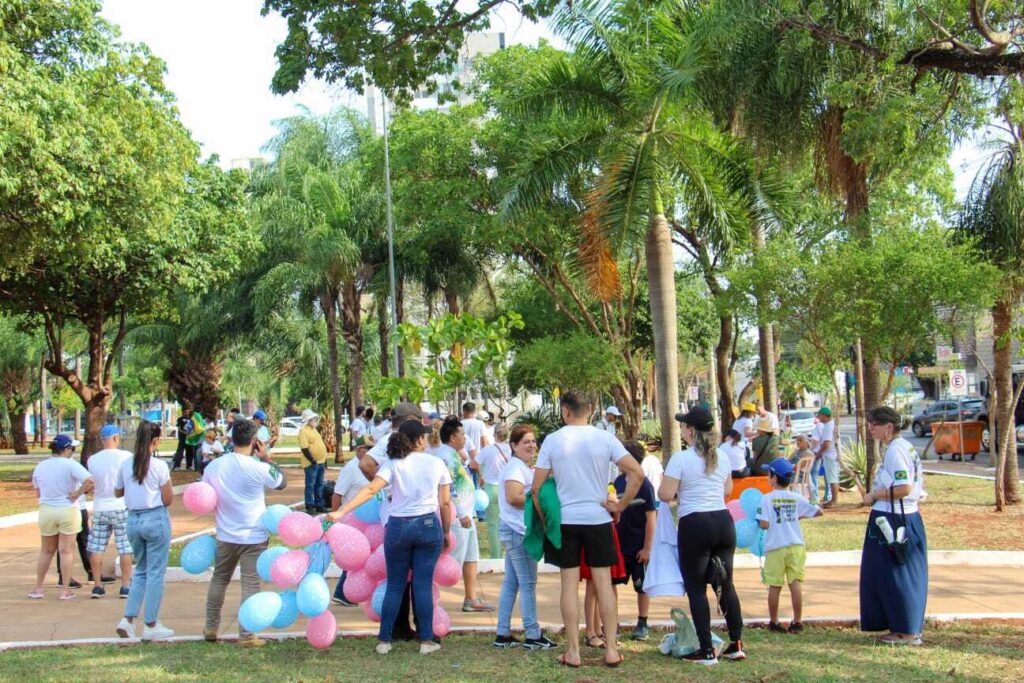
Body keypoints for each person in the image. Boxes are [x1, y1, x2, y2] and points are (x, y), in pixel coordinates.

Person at [531, 390, 644, 669]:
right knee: (604, 584)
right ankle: (612, 650)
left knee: (568, 585)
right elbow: (637, 474)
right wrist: (620, 506)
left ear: (565, 412)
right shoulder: (605, 438)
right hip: (598, 519)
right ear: (591, 410)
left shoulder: (553, 440)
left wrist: (545, 521)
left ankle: (573, 651)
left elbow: (536, 488)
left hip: (566, 522)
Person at [329, 420, 453, 656]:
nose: (426, 440)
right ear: (418, 440)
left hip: (398, 526)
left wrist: (342, 511)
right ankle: (427, 640)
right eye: (424, 436)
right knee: (422, 584)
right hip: (427, 525)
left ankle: (384, 639)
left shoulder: (394, 463)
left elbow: (371, 489)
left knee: (395, 584)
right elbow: (445, 503)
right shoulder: (436, 463)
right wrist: (445, 532)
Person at [658, 407, 745, 665]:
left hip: (695, 523)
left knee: (696, 588)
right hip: (722, 521)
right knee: (725, 583)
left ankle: (706, 650)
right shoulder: (722, 457)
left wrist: (682, 489)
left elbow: (665, 494)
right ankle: (736, 643)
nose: (681, 429)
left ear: (691, 431)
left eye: (683, 426)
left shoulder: (680, 459)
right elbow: (727, 489)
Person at [203, 418, 287, 648]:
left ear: (231, 439)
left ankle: (211, 626)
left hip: (225, 534)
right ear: (254, 441)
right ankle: (247, 635)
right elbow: (281, 482)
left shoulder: (214, 467)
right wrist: (267, 457)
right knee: (250, 584)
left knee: (219, 579)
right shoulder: (258, 467)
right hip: (254, 535)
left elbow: (205, 496)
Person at [860, 406, 927, 646]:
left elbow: (904, 487)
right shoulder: (902, 447)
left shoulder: (896, 451)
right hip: (903, 517)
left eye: (873, 424)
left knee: (896, 574)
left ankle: (906, 631)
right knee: (890, 573)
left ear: (888, 427)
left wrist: (874, 495)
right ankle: (902, 626)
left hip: (893, 519)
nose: (870, 429)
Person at [493, 424, 557, 650]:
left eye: (533, 441)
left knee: (512, 583)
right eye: (525, 442)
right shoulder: (514, 468)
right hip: (518, 532)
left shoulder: (522, 467)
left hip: (515, 530)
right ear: (513, 446)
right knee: (528, 583)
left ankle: (502, 633)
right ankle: (532, 633)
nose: (531, 446)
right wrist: (539, 502)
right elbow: (513, 497)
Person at [114, 421, 175, 640]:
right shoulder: (159, 466)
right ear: (155, 441)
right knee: (156, 572)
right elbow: (167, 499)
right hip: (155, 517)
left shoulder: (126, 464)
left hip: (133, 519)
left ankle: (128, 619)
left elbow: (117, 492)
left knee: (140, 570)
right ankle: (151, 623)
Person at [756, 458, 822, 634]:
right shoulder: (796, 497)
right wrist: (796, 516)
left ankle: (774, 621)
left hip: (776, 547)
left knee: (774, 585)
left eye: (769, 474)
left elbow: (763, 524)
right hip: (796, 546)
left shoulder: (766, 499)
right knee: (795, 583)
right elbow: (818, 511)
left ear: (774, 478)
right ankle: (797, 621)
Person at [433, 417, 493, 612]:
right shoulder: (446, 457)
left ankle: (470, 598)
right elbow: (449, 489)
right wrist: (460, 513)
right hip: (459, 517)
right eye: (462, 435)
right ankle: (430, 602)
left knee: (470, 557)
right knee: (451, 561)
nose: (465, 438)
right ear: (452, 437)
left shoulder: (454, 454)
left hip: (468, 514)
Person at [29, 435, 94, 601]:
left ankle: (38, 588)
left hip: (46, 510)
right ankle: (65, 589)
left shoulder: (41, 466)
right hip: (67, 509)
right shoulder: (70, 464)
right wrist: (77, 493)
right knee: (66, 550)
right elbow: (90, 481)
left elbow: (38, 491)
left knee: (46, 550)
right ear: (66, 450)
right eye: (71, 448)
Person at [614, 441, 657, 641]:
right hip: (619, 544)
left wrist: (648, 548)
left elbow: (651, 519)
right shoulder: (618, 482)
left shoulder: (645, 485)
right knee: (611, 583)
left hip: (639, 545)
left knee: (642, 586)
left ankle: (642, 622)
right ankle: (611, 621)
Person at [86, 425, 134, 599]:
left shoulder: (92, 459)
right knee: (125, 547)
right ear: (116, 438)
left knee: (97, 547)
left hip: (100, 506)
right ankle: (126, 586)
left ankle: (98, 586)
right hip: (120, 505)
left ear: (101, 440)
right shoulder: (127, 457)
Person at [330, 442, 370, 605]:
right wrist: (336, 519)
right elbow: (337, 494)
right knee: (355, 557)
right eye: (370, 449)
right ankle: (343, 592)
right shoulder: (351, 468)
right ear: (361, 450)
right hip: (352, 521)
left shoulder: (369, 467)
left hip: (368, 521)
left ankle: (348, 592)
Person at [476, 423, 511, 560]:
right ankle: (510, 553)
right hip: (507, 486)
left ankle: (496, 555)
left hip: (491, 486)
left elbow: (474, 463)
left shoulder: (488, 450)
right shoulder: (510, 449)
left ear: (495, 435)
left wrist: (481, 475)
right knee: (509, 522)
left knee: (493, 524)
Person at [298, 409, 328, 513]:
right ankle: (310, 505)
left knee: (319, 484)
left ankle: (320, 504)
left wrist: (324, 460)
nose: (315, 420)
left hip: (321, 462)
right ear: (309, 419)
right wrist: (312, 460)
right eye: (314, 418)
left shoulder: (314, 429)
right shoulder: (303, 431)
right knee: (310, 485)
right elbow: (304, 448)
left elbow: (320, 445)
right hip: (311, 463)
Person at [811, 407, 838, 507]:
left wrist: (819, 453)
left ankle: (834, 501)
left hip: (830, 455)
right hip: (831, 454)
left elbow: (826, 443)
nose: (819, 417)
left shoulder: (828, 427)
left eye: (820, 415)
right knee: (831, 478)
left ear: (824, 415)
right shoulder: (830, 424)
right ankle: (832, 499)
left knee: (832, 478)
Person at [461, 402, 490, 487]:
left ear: (464, 411)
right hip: (478, 460)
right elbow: (484, 442)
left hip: (464, 461)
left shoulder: (460, 424)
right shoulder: (480, 423)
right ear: (474, 412)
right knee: (479, 485)